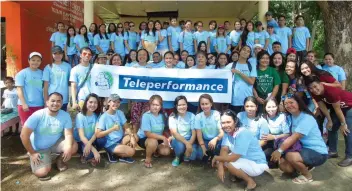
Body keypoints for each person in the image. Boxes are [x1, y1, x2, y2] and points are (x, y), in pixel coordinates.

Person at [20, 92, 78, 181]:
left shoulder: (65, 115)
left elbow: (69, 134)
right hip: (40, 148)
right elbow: (24, 135)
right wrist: (32, 153)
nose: (55, 103)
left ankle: (59, 160)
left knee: (73, 146)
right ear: (47, 102)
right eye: (53, 101)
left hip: (56, 143)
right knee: (42, 173)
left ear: (62, 103)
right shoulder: (38, 115)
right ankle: (41, 158)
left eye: (59, 101)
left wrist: (68, 148)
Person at [271, 94, 328, 184]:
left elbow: (294, 137)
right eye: (286, 104)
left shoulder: (306, 118)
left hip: (318, 152)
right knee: (284, 166)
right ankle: (306, 165)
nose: (289, 105)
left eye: (291, 102)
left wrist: (279, 150)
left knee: (290, 156)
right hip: (302, 149)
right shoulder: (291, 117)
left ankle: (307, 176)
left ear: (298, 102)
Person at [212, 109, 268, 191]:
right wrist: (220, 165)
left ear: (235, 121)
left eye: (228, 122)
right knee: (222, 160)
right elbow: (224, 149)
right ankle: (237, 174)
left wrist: (217, 158)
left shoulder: (242, 133)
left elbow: (233, 158)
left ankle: (251, 182)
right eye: (223, 123)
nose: (225, 125)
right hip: (244, 158)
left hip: (257, 163)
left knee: (229, 162)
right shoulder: (227, 132)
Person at [305, 76, 352, 167]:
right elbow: (322, 106)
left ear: (321, 84)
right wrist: (329, 120)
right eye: (311, 88)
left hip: (349, 107)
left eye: (315, 86)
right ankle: (333, 151)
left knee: (347, 131)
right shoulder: (314, 93)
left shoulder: (331, 91)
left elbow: (337, 109)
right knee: (330, 127)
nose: (314, 90)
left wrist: (343, 124)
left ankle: (350, 156)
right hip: (337, 108)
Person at [95, 94, 136, 163]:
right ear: (108, 102)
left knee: (135, 137)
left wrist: (131, 136)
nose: (116, 104)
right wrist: (112, 129)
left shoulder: (120, 113)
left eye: (118, 102)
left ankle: (121, 155)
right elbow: (98, 135)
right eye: (114, 102)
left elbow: (126, 126)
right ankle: (111, 152)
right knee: (131, 152)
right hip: (110, 143)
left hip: (120, 139)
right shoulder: (104, 117)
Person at [137, 95, 171, 168]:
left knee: (166, 152)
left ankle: (155, 151)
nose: (155, 107)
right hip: (145, 139)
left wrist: (168, 139)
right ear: (150, 105)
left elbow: (165, 129)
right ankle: (148, 158)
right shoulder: (146, 115)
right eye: (153, 104)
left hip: (158, 138)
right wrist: (163, 138)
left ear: (161, 106)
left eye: (157, 105)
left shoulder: (163, 115)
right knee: (153, 141)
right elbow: (148, 134)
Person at [225, 46, 257, 113]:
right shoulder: (231, 65)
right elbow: (220, 75)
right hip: (235, 100)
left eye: (248, 51)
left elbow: (251, 82)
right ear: (240, 51)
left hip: (248, 100)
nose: (245, 52)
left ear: (249, 55)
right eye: (244, 49)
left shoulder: (251, 66)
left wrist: (239, 72)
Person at [169, 96, 199, 167]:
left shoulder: (192, 115)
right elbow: (175, 134)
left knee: (194, 155)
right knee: (180, 146)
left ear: (187, 105)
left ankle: (186, 154)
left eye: (184, 104)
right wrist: (187, 144)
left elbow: (194, 133)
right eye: (179, 105)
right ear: (176, 106)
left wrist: (190, 143)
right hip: (178, 139)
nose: (182, 107)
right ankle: (177, 157)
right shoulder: (172, 116)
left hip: (190, 139)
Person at [16, 52, 44, 126]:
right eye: (33, 60)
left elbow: (44, 88)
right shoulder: (22, 73)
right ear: (29, 61)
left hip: (39, 105)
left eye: (38, 60)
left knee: (38, 126)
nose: (35, 62)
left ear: (41, 62)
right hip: (26, 106)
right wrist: (24, 103)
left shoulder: (42, 73)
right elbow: (19, 89)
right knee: (26, 127)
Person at [74, 93, 102, 166]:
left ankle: (90, 154)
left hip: (92, 139)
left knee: (102, 139)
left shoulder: (97, 115)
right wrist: (94, 150)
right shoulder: (80, 116)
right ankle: (89, 156)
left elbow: (96, 132)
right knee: (87, 153)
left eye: (95, 103)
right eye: (90, 102)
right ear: (86, 102)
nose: (93, 105)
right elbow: (82, 136)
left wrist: (90, 144)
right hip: (81, 141)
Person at [195, 94, 224, 161]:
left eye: (206, 104)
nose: (205, 106)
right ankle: (211, 155)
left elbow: (222, 132)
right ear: (200, 105)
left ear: (211, 104)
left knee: (217, 148)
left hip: (217, 139)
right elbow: (199, 134)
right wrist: (202, 146)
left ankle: (216, 156)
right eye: (202, 104)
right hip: (205, 140)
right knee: (200, 155)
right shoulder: (198, 117)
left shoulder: (216, 114)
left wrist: (216, 139)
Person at [261, 98, 289, 166]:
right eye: (269, 107)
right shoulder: (263, 117)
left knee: (279, 162)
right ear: (265, 107)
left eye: (273, 106)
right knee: (263, 156)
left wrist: (273, 137)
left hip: (282, 144)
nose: (271, 109)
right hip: (270, 145)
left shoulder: (282, 117)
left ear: (277, 106)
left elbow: (288, 134)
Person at [43, 46, 71, 111]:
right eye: (55, 53)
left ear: (62, 54)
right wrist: (46, 101)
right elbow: (45, 86)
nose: (57, 55)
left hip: (64, 98)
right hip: (52, 98)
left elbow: (70, 83)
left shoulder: (68, 66)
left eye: (59, 53)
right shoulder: (48, 67)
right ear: (52, 55)